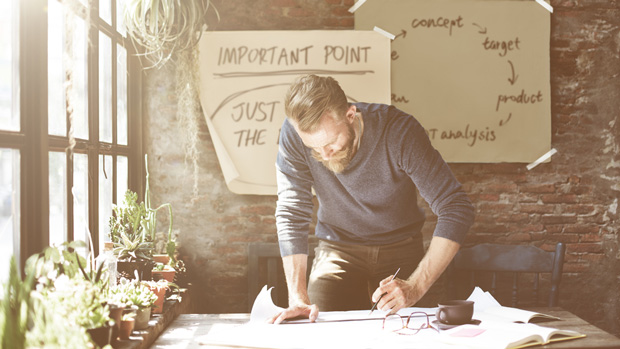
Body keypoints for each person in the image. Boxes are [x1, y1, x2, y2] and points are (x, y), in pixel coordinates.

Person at [270, 74, 475, 324]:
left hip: (400, 245)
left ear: (350, 115)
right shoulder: (293, 134)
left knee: (411, 332)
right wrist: (297, 297)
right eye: (313, 147)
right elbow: (291, 212)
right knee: (315, 327)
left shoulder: (399, 132)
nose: (323, 155)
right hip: (337, 248)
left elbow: (456, 208)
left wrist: (415, 287)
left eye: (331, 142)